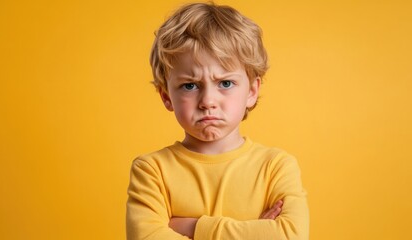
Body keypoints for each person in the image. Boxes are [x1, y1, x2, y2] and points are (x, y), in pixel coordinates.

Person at [126, 2, 309, 239]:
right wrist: (253, 230)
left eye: (225, 83)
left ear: (251, 91)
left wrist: (190, 227)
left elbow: (290, 235)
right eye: (190, 85)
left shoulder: (276, 167)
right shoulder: (152, 171)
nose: (208, 101)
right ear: (166, 96)